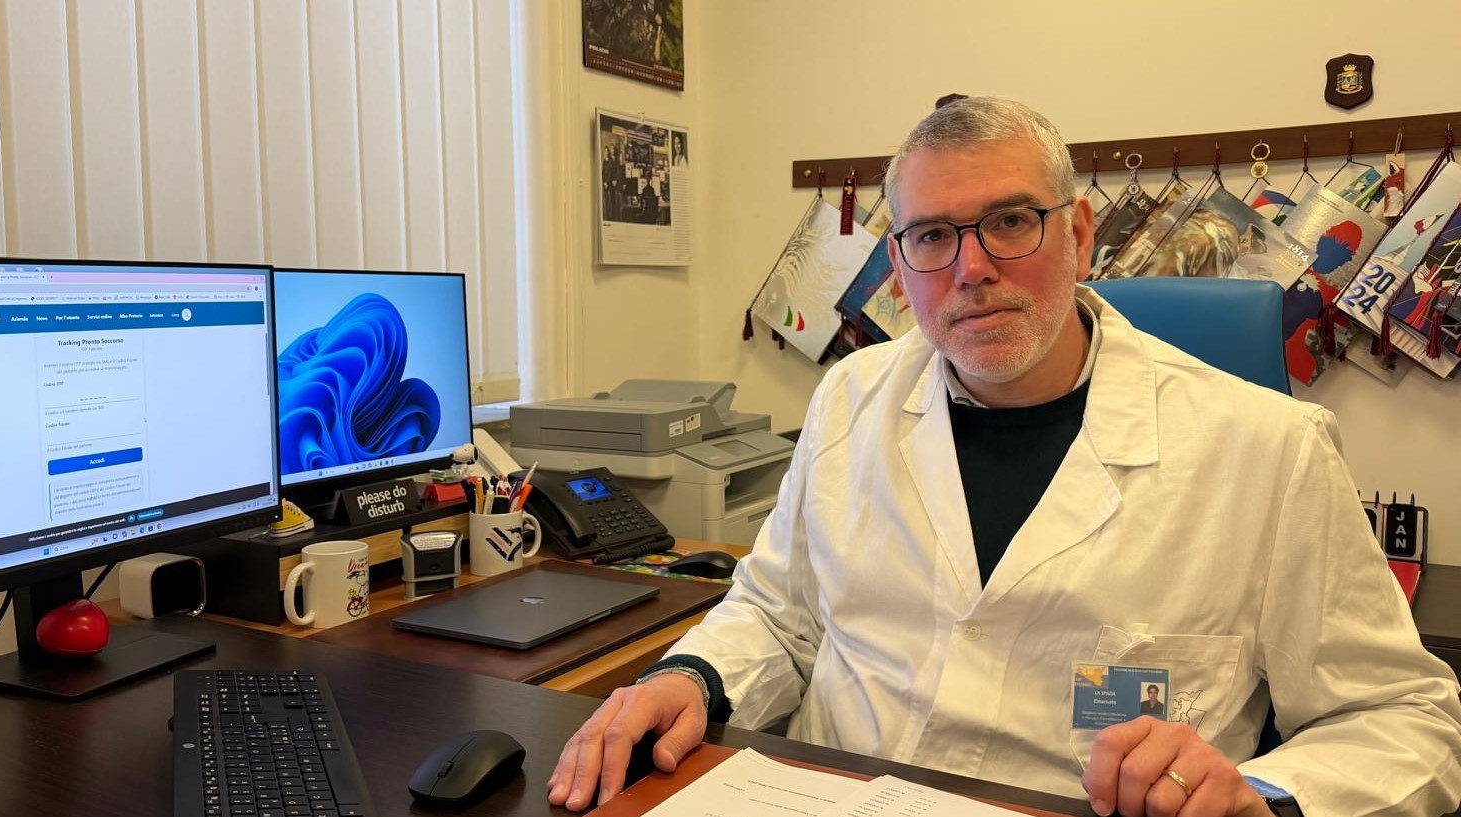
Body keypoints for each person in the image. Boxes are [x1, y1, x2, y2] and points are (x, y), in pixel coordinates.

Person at [547, 97, 1461, 816]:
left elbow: (1402, 719)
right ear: (901, 264)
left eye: (1011, 222)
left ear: (1080, 235)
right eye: (932, 236)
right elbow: (780, 614)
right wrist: (693, 675)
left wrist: (1263, 793)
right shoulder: (851, 398)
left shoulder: (1268, 451)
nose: (972, 267)